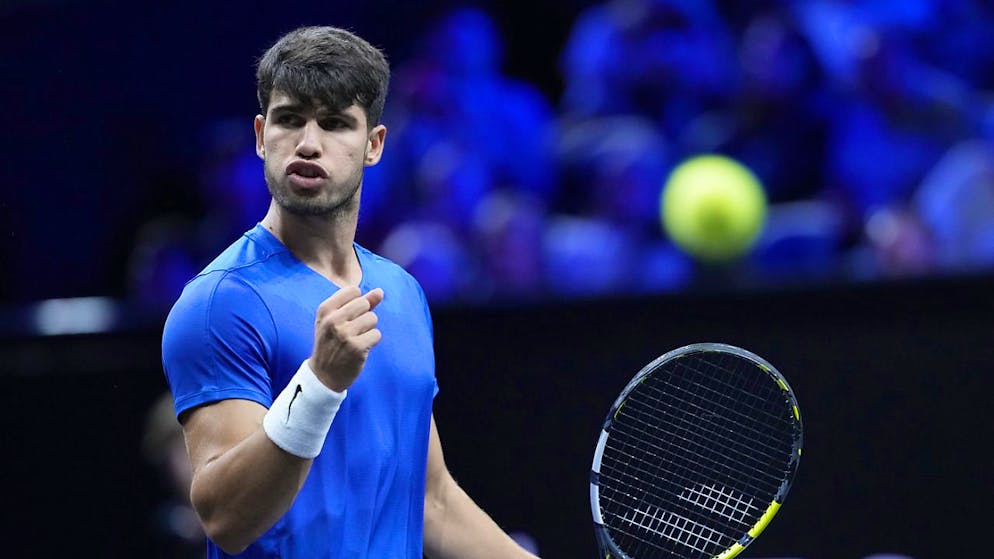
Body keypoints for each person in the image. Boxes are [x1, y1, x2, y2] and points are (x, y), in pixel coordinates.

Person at [161, 26, 540, 558]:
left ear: (374, 145)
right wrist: (320, 383)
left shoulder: (402, 293)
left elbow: (431, 501)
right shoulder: (219, 303)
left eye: (336, 123)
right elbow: (225, 518)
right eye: (289, 119)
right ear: (260, 135)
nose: (309, 143)